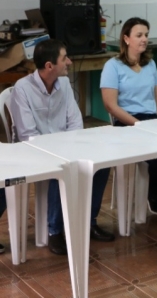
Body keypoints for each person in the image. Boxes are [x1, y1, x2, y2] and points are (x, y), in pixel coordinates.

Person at [10, 39, 114, 256]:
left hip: (65, 146)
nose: (69, 62)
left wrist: (70, 147)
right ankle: (55, 230)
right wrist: (61, 152)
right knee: (61, 169)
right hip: (34, 151)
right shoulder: (22, 89)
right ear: (49, 66)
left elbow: (75, 121)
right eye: (64, 58)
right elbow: (28, 135)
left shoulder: (64, 83)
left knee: (102, 163)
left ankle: (89, 220)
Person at [101, 17, 157, 215]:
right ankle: (153, 194)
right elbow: (111, 105)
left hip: (151, 121)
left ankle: (156, 195)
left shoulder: (150, 64)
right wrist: (138, 124)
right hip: (127, 123)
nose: (144, 39)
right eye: (139, 35)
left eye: (146, 35)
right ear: (126, 39)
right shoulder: (113, 65)